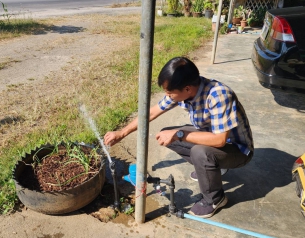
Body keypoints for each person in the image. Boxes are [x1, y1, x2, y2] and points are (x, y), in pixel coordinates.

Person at [104, 56, 254, 218]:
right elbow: (152, 112)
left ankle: (215, 199)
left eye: (169, 92)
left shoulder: (219, 96)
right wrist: (122, 132)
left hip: (238, 150)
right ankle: (211, 168)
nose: (167, 96)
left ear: (187, 89)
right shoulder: (185, 92)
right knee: (166, 134)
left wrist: (179, 134)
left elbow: (219, 140)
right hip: (214, 141)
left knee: (198, 152)